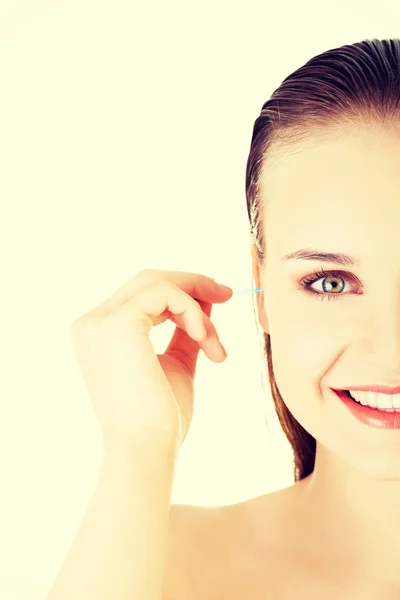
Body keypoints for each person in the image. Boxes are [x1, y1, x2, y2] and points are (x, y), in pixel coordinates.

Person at [46, 37, 400, 599]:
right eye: (329, 282)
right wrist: (139, 446)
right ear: (260, 288)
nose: (392, 349)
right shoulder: (164, 564)